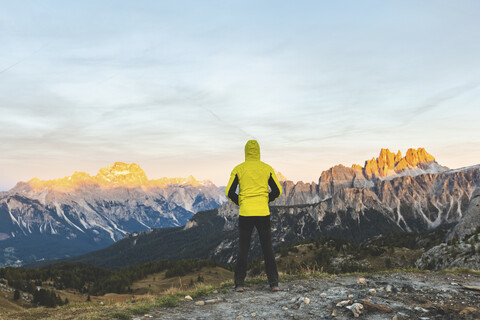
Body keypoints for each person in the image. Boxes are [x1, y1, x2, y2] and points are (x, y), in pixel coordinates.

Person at [225, 140, 283, 292]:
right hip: (263, 212)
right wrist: (265, 200)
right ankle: (274, 283)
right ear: (258, 151)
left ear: (245, 151)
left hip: (246, 213)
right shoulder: (267, 168)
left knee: (244, 248)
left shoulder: (239, 169)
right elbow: (277, 191)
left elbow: (229, 192)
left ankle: (239, 284)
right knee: (267, 248)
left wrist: (242, 202)